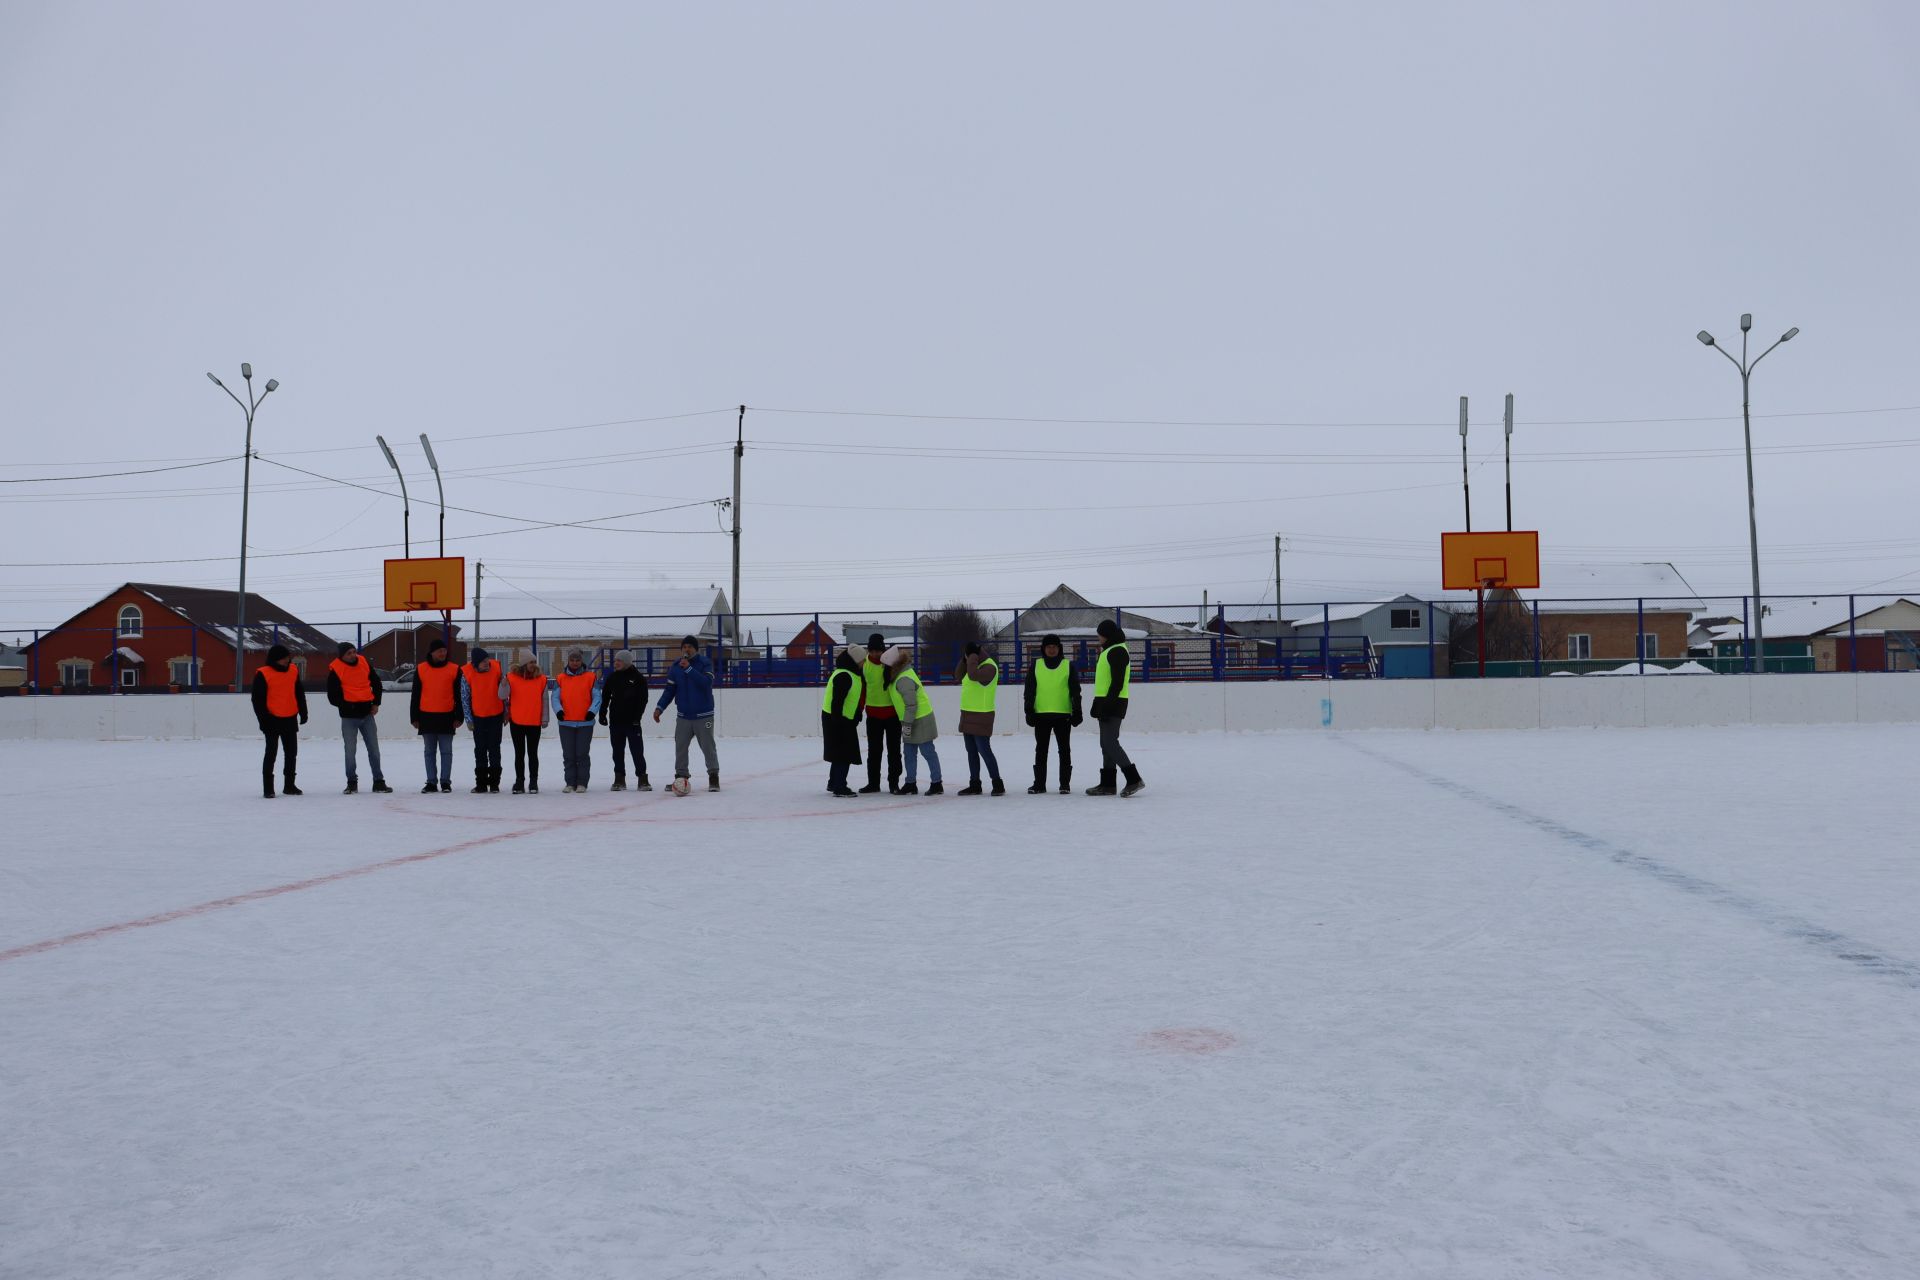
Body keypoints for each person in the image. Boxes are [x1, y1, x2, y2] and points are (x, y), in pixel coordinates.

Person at [654, 635, 720, 792]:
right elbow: (669, 690)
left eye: (690, 646)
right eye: (684, 647)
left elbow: (706, 683)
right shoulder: (676, 666)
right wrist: (659, 708)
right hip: (683, 716)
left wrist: (689, 669)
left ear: (696, 649)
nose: (686, 649)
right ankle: (680, 777)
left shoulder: (705, 663)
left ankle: (713, 777)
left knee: (707, 746)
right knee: (680, 747)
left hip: (704, 715)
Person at [1087, 618, 1145, 797]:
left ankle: (1134, 779)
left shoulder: (1117, 651)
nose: (1098, 638)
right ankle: (1108, 784)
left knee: (1110, 742)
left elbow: (1117, 682)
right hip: (1107, 701)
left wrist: (1107, 705)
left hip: (1114, 701)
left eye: (1100, 635)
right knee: (1105, 743)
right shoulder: (1111, 650)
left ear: (1106, 635)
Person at [327, 640, 390, 794]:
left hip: (367, 714)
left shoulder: (363, 662)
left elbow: (376, 683)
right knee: (350, 751)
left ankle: (379, 781)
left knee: (374, 750)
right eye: (349, 653)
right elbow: (333, 697)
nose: (353, 655)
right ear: (342, 656)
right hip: (349, 717)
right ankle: (352, 782)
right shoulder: (336, 669)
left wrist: (376, 703)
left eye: (354, 651)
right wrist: (349, 706)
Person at [1023, 632, 1081, 794]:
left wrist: (1077, 711)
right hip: (1041, 715)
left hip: (1063, 715)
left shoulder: (1068, 666)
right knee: (1041, 750)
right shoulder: (1036, 665)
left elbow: (1075, 691)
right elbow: (1029, 690)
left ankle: (1065, 785)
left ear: (1059, 648)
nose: (1051, 649)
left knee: (1064, 750)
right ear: (1043, 649)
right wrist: (1029, 710)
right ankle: (1039, 784)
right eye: (1048, 647)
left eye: (1054, 646)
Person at [251, 643, 308, 798]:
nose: (287, 661)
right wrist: (263, 720)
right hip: (271, 719)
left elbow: (299, 692)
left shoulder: (293, 670)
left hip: (290, 718)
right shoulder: (263, 673)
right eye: (284, 659)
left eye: (287, 658)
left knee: (291, 753)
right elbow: (257, 700)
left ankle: (289, 785)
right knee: (271, 753)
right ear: (275, 659)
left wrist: (303, 712)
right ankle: (268, 788)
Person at [884, 646, 942, 796]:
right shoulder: (899, 675)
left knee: (928, 751)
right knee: (909, 753)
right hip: (910, 719)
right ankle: (910, 783)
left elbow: (911, 704)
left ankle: (937, 783)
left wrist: (907, 724)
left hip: (920, 719)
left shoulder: (903, 678)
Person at [410, 637, 462, 793]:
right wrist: (414, 717)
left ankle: (445, 782)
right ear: (432, 652)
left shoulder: (454, 669)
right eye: (440, 651)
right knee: (429, 752)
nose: (443, 653)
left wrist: (459, 716)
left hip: (447, 716)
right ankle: (431, 782)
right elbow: (415, 694)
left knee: (446, 751)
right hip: (426, 716)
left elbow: (459, 695)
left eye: (445, 650)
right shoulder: (421, 669)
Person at [956, 641, 1004, 795]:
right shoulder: (971, 663)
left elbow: (973, 675)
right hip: (968, 713)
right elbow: (958, 675)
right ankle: (974, 783)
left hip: (982, 715)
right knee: (971, 751)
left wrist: (972, 658)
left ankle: (998, 783)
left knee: (984, 750)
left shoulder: (990, 666)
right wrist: (965, 659)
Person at [598, 648, 651, 791]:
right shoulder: (612, 677)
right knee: (617, 751)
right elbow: (605, 697)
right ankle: (619, 778)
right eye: (615, 661)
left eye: (619, 661)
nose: (615, 663)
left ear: (627, 662)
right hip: (616, 721)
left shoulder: (638, 678)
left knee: (637, 750)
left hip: (632, 722)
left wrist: (637, 718)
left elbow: (643, 700)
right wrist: (602, 714)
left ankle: (642, 778)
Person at [551, 648, 601, 793]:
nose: (574, 662)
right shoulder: (560, 678)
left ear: (581, 661)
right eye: (572, 660)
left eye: (577, 660)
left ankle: (582, 783)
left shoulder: (591, 677)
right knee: (568, 754)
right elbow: (555, 697)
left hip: (585, 723)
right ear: (568, 661)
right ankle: (570, 783)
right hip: (566, 723)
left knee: (582, 753)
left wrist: (592, 711)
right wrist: (558, 711)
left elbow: (597, 696)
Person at [858, 631, 902, 794]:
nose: (876, 654)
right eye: (873, 651)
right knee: (874, 751)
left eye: (879, 651)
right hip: (874, 715)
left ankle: (894, 783)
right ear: (868, 651)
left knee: (894, 751)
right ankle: (873, 783)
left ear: (883, 650)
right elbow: (862, 690)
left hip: (892, 715)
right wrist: (860, 709)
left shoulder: (890, 664)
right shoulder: (864, 666)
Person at [460, 647, 507, 794]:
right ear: (475, 664)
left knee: (494, 749)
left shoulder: (497, 670)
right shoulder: (467, 675)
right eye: (483, 662)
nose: (486, 663)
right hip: (478, 718)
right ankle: (481, 783)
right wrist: (468, 719)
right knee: (480, 750)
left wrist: (506, 712)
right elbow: (465, 698)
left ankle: (494, 783)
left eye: (487, 660)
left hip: (496, 716)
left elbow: (505, 694)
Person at [821, 646, 864, 797]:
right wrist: (838, 721)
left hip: (840, 718)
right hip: (838, 719)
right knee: (844, 752)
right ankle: (840, 786)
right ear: (855, 660)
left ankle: (833, 782)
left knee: (839, 751)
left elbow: (851, 697)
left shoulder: (849, 673)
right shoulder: (845, 675)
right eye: (862, 660)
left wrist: (857, 713)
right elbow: (837, 701)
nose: (864, 663)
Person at [505, 650, 548, 793]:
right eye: (531, 662)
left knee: (533, 753)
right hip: (516, 721)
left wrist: (545, 718)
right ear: (524, 663)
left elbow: (545, 700)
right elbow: (501, 696)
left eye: (534, 662)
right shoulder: (511, 677)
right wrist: (503, 684)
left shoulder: (541, 679)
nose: (533, 665)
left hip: (534, 722)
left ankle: (533, 782)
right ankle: (519, 782)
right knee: (519, 753)